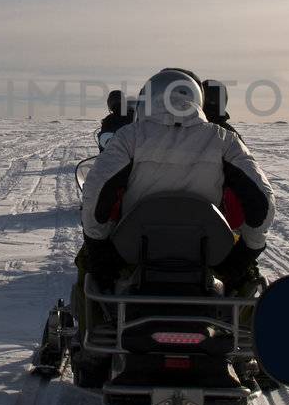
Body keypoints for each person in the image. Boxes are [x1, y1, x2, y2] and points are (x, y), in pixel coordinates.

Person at [77, 68, 274, 300]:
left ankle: (94, 326)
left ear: (148, 98)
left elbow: (95, 191)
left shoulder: (129, 136)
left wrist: (99, 247)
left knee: (87, 270)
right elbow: (263, 202)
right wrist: (247, 251)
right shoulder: (224, 139)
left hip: (134, 249)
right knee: (246, 284)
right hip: (207, 252)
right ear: (196, 99)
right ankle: (246, 331)